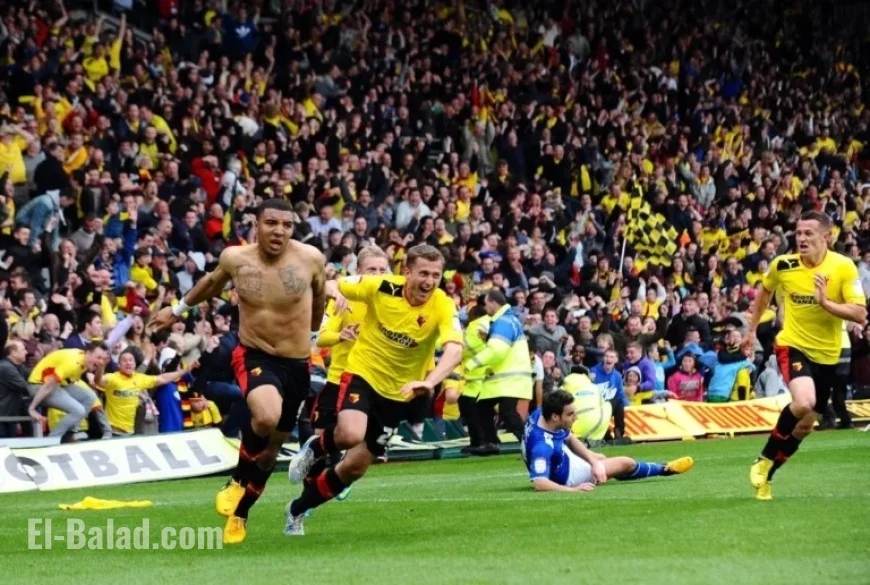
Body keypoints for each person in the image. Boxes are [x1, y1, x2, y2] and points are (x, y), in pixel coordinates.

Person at [149, 198, 326, 544]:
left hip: (297, 364)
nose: (279, 231)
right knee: (265, 416)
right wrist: (177, 308)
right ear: (256, 225)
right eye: (271, 223)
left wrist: (316, 334)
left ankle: (241, 512)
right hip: (255, 354)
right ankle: (235, 479)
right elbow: (212, 284)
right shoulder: (235, 259)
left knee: (272, 451)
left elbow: (319, 296)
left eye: (287, 225)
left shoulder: (311, 259)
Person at [285, 244, 463, 536]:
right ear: (406, 272)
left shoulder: (443, 304)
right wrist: (334, 291)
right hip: (362, 373)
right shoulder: (381, 286)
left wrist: (430, 382)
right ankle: (314, 448)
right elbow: (329, 283)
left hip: (399, 393)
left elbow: (455, 350)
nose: (430, 281)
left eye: (436, 275)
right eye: (423, 273)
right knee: (350, 434)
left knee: (354, 468)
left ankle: (297, 509)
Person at [745, 211, 867, 501]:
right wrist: (750, 330)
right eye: (798, 233)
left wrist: (826, 302)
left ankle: (768, 477)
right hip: (792, 344)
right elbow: (764, 292)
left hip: (827, 355)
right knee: (804, 401)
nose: (801, 238)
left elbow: (860, 313)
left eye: (808, 233)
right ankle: (763, 458)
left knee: (805, 426)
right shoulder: (783, 265)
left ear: (827, 236)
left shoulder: (844, 267)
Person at [309, 246, 390, 498]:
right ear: (358, 272)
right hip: (338, 379)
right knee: (320, 442)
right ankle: (308, 495)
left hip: (373, 383)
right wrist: (340, 335)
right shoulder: (344, 298)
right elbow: (320, 338)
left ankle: (342, 475)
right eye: (371, 270)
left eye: (381, 269)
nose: (377, 275)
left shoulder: (394, 303)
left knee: (361, 447)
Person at [522, 390, 694, 492]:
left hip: (563, 459)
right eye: (570, 414)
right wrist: (573, 490)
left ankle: (601, 468)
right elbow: (539, 483)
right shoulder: (541, 447)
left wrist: (591, 458)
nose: (576, 417)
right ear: (555, 416)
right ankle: (665, 469)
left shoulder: (541, 415)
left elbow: (568, 436)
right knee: (626, 462)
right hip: (568, 476)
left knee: (600, 458)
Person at [465, 288, 533, 455]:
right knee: (483, 407)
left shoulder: (503, 322)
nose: (485, 307)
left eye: (486, 303)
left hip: (509, 378)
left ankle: (531, 444)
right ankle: (492, 442)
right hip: (508, 378)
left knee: (507, 412)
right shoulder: (508, 320)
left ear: (494, 303)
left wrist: (472, 363)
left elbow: (497, 350)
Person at [27, 344, 112, 440]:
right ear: (88, 353)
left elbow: (97, 381)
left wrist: (102, 366)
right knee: (78, 410)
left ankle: (70, 433)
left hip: (58, 385)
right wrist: (32, 408)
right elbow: (48, 385)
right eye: (98, 357)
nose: (100, 361)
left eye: (102, 359)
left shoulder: (84, 359)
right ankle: (52, 440)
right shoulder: (72, 363)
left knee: (90, 397)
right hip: (38, 386)